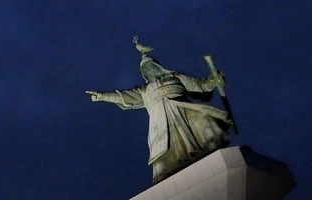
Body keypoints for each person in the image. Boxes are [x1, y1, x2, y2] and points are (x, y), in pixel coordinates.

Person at [86, 37, 234, 183]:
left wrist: (213, 81)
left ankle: (212, 147)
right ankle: (167, 170)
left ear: (157, 67)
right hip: (160, 124)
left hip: (183, 111)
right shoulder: (143, 90)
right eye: (145, 70)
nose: (149, 71)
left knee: (204, 121)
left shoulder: (175, 77)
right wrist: (102, 96)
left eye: (151, 67)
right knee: (165, 152)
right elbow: (123, 97)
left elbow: (199, 85)